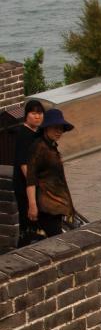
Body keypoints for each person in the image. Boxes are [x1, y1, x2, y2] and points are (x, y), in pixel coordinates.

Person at [24, 108, 76, 239]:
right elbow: (31, 179)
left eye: (61, 128)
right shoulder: (39, 147)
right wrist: (32, 206)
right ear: (46, 128)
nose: (59, 131)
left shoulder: (51, 146)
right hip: (47, 207)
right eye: (55, 128)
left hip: (56, 205)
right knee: (57, 242)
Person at [9, 99, 45, 246]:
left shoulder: (37, 132)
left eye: (40, 113)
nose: (37, 117)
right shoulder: (24, 134)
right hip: (26, 186)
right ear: (26, 115)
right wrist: (34, 185)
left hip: (35, 184)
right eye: (33, 113)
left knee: (35, 225)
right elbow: (24, 165)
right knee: (29, 222)